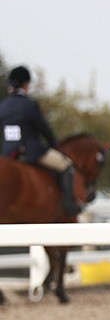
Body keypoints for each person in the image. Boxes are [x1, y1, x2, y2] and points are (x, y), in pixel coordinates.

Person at [0, 65, 83, 216]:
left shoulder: (3, 106)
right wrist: (55, 146)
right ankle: (69, 205)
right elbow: (44, 129)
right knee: (67, 166)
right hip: (31, 152)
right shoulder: (29, 104)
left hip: (8, 153)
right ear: (26, 84)